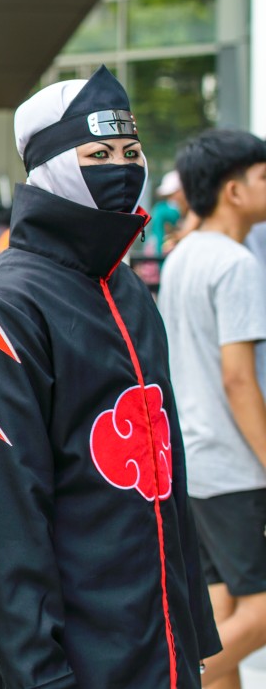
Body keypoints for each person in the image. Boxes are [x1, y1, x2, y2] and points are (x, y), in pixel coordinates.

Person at [0, 66, 219, 688]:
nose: (121, 166)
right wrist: (39, 674)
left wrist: (190, 633)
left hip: (156, 640)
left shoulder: (127, 289)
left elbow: (166, 484)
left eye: (131, 150)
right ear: (48, 166)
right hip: (68, 654)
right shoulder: (6, 305)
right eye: (97, 153)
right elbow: (8, 518)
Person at [159, 130, 266, 689]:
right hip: (233, 464)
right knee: (260, 613)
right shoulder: (236, 263)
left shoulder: (184, 256)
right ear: (233, 190)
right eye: (263, 176)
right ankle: (176, 679)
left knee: (220, 614)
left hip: (192, 459)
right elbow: (238, 378)